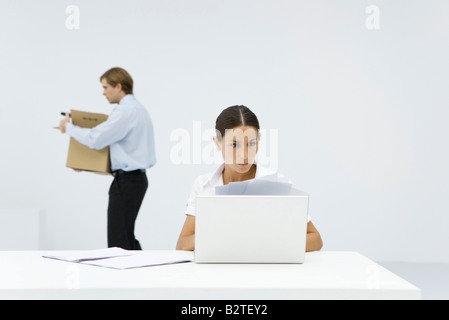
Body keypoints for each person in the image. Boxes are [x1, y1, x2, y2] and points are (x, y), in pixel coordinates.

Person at [176, 105, 323, 252]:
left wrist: (266, 243)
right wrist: (223, 235)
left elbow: (315, 239)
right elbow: (182, 244)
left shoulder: (277, 184)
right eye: (234, 145)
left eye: (251, 144)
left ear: (258, 142)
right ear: (218, 143)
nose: (244, 155)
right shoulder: (203, 185)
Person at [59, 67, 156, 250]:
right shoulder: (139, 110)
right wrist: (85, 164)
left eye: (105, 87)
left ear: (118, 86)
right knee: (126, 237)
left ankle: (125, 278)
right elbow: (121, 150)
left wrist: (69, 127)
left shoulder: (125, 112)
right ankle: (141, 275)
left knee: (118, 241)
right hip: (135, 180)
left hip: (126, 182)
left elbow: (95, 139)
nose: (103, 93)